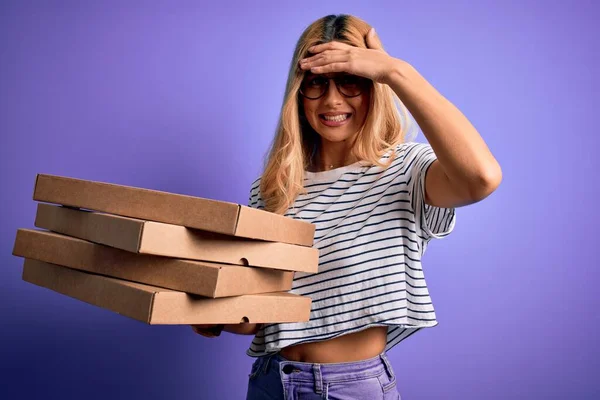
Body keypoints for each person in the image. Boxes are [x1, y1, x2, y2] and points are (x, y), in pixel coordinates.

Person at [192, 13, 502, 399]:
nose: (333, 100)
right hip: (270, 381)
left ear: (374, 87)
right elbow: (258, 319)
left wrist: (395, 71)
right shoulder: (272, 189)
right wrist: (212, 310)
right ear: (298, 92)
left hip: (349, 388)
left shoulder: (406, 170)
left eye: (350, 81)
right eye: (317, 83)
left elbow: (481, 178)